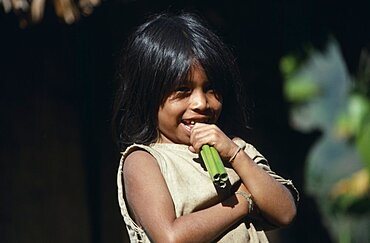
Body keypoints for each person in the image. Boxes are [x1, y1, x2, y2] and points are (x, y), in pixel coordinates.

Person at [113, 12, 299, 243]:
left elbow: (285, 212)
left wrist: (234, 154)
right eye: (182, 90)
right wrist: (242, 201)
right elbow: (170, 238)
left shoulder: (237, 150)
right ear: (148, 96)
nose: (201, 103)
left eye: (211, 89)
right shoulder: (145, 160)